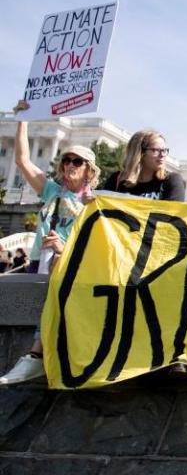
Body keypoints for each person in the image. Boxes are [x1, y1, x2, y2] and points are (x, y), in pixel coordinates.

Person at [0, 100, 100, 384]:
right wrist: (23, 119)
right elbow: (22, 160)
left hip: (69, 263)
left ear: (89, 170)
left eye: (77, 161)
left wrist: (64, 249)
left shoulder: (95, 201)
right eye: (67, 160)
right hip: (39, 260)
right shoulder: (51, 191)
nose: (69, 165)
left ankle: (36, 357)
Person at [103, 130, 185, 201]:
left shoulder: (171, 181)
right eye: (155, 150)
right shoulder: (117, 179)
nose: (162, 155)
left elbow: (173, 216)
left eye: (164, 150)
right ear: (140, 153)